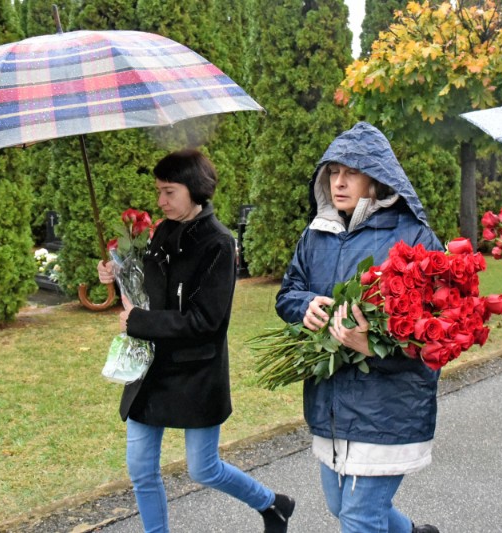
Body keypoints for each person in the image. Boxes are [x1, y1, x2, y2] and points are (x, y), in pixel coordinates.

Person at [97, 149, 294, 533]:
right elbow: (150, 290)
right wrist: (117, 272)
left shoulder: (219, 244)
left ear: (195, 190)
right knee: (140, 468)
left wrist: (139, 321)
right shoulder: (163, 232)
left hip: (197, 371)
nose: (160, 201)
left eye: (169, 192)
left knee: (203, 468)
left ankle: (272, 504)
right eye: (158, 192)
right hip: (152, 369)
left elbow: (206, 321)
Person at [275, 122, 442, 533]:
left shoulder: (417, 238)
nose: (339, 182)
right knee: (340, 506)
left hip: (388, 405)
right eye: (333, 172)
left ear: (377, 179)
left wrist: (372, 345)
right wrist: (306, 305)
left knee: (359, 517)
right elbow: (288, 293)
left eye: (351, 172)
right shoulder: (316, 234)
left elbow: (438, 330)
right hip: (330, 400)